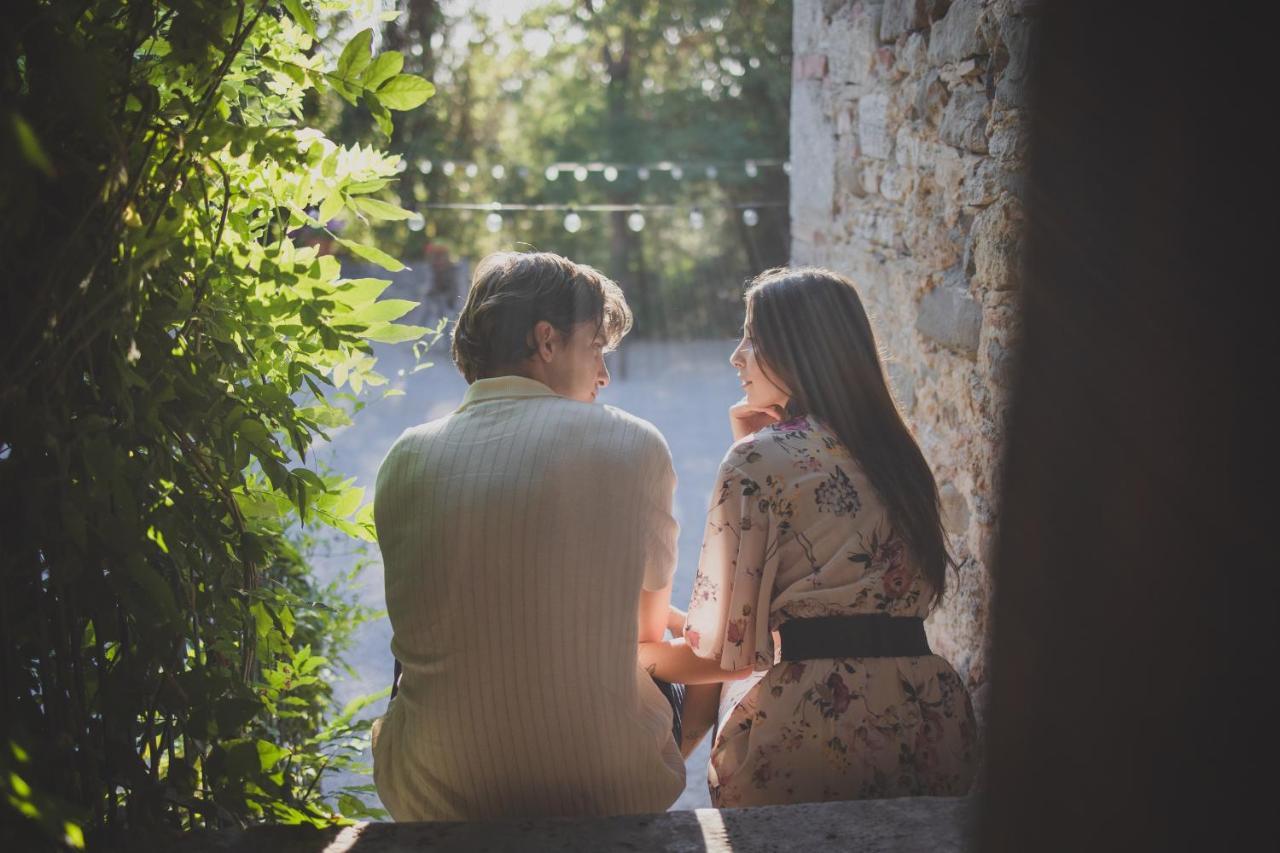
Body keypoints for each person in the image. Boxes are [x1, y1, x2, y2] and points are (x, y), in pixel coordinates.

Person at [639, 266, 979, 807]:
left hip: (807, 731)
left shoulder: (756, 460)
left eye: (751, 336)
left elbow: (728, 652)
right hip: (928, 720)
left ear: (796, 348)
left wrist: (634, 658)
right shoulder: (898, 453)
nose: (736, 356)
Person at [370, 251, 688, 819]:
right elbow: (647, 635)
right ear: (547, 341)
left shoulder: (405, 455)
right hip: (606, 788)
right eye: (595, 348)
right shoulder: (633, 443)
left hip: (433, 788)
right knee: (687, 676)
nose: (604, 374)